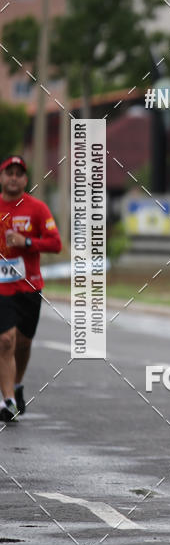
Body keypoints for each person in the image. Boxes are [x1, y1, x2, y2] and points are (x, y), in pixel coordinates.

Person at [0, 156, 62, 423]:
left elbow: (55, 243)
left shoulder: (36, 208)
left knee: (23, 344)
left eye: (18, 174)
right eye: (8, 173)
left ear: (25, 179)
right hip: (2, 288)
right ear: (2, 177)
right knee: (6, 341)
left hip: (29, 285)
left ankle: (16, 385)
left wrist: (25, 242)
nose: (13, 177)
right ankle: (8, 401)